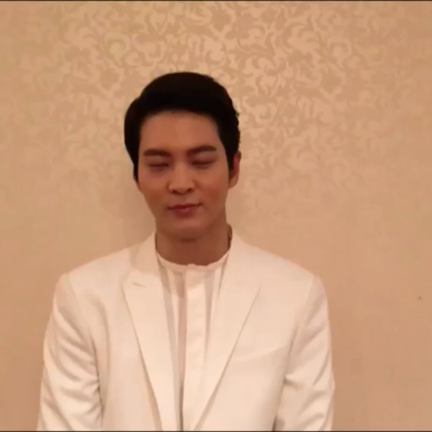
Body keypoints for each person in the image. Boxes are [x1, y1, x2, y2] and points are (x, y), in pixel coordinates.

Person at [37, 71, 335, 431]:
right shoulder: (84, 296)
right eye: (159, 165)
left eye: (202, 162)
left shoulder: (296, 295)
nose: (180, 183)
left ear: (234, 168)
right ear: (137, 177)